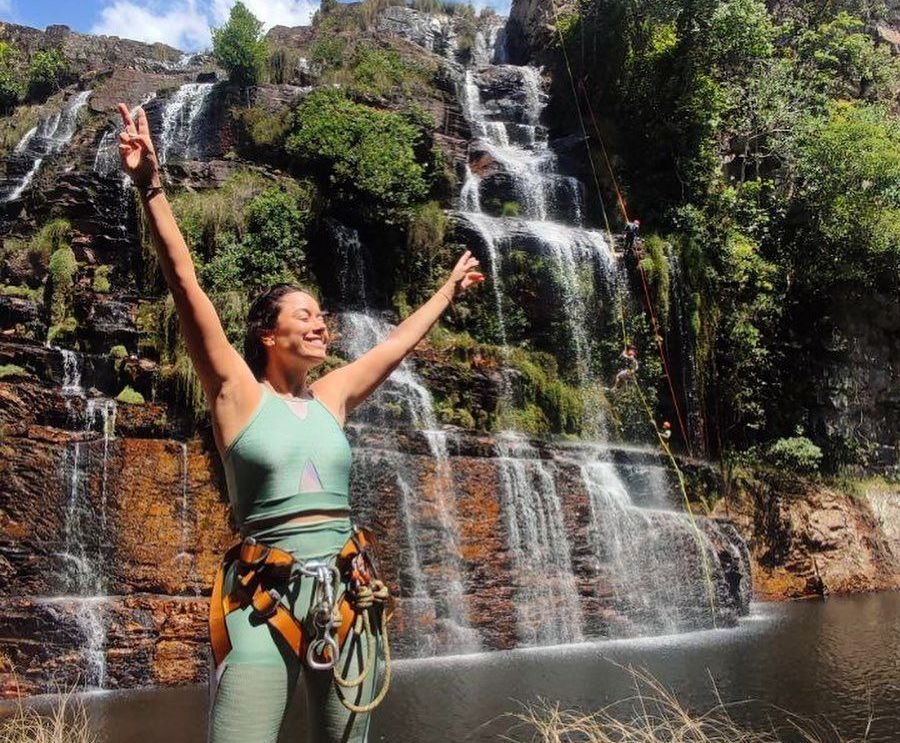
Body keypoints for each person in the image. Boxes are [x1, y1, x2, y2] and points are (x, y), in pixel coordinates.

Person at [116, 103, 484, 743]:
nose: (321, 325)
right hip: (262, 605)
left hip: (347, 597)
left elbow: (395, 345)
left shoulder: (331, 396)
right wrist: (152, 185)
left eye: (323, 317)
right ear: (267, 333)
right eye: (305, 315)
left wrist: (447, 293)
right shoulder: (235, 392)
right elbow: (185, 282)